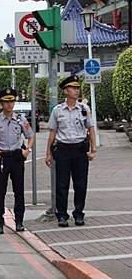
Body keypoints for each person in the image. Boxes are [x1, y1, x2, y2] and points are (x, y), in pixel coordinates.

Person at [0, 88, 35, 234]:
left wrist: (27, 150)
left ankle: (19, 221)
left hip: (17, 157)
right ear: (1, 104)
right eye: (6, 102)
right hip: (2, 158)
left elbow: (31, 135)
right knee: (0, 191)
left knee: (19, 190)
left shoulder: (21, 120)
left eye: (11, 101)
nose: (10, 104)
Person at [45, 75, 96, 227]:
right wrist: (48, 153)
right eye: (73, 88)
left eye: (77, 88)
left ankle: (79, 214)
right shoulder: (57, 110)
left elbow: (91, 129)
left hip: (80, 150)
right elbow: (52, 132)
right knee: (62, 184)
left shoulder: (84, 109)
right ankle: (62, 215)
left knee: (80, 184)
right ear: (66, 91)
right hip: (62, 151)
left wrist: (93, 149)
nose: (76, 90)